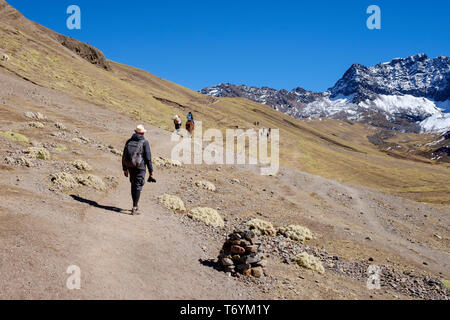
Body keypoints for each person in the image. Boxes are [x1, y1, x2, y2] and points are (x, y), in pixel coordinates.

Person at [122, 125, 154, 215]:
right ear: (143, 133)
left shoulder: (129, 141)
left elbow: (124, 156)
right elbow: (148, 158)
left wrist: (125, 169)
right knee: (138, 185)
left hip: (130, 166)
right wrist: (151, 171)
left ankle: (134, 205)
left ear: (135, 132)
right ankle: (135, 207)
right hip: (140, 167)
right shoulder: (145, 142)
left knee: (133, 184)